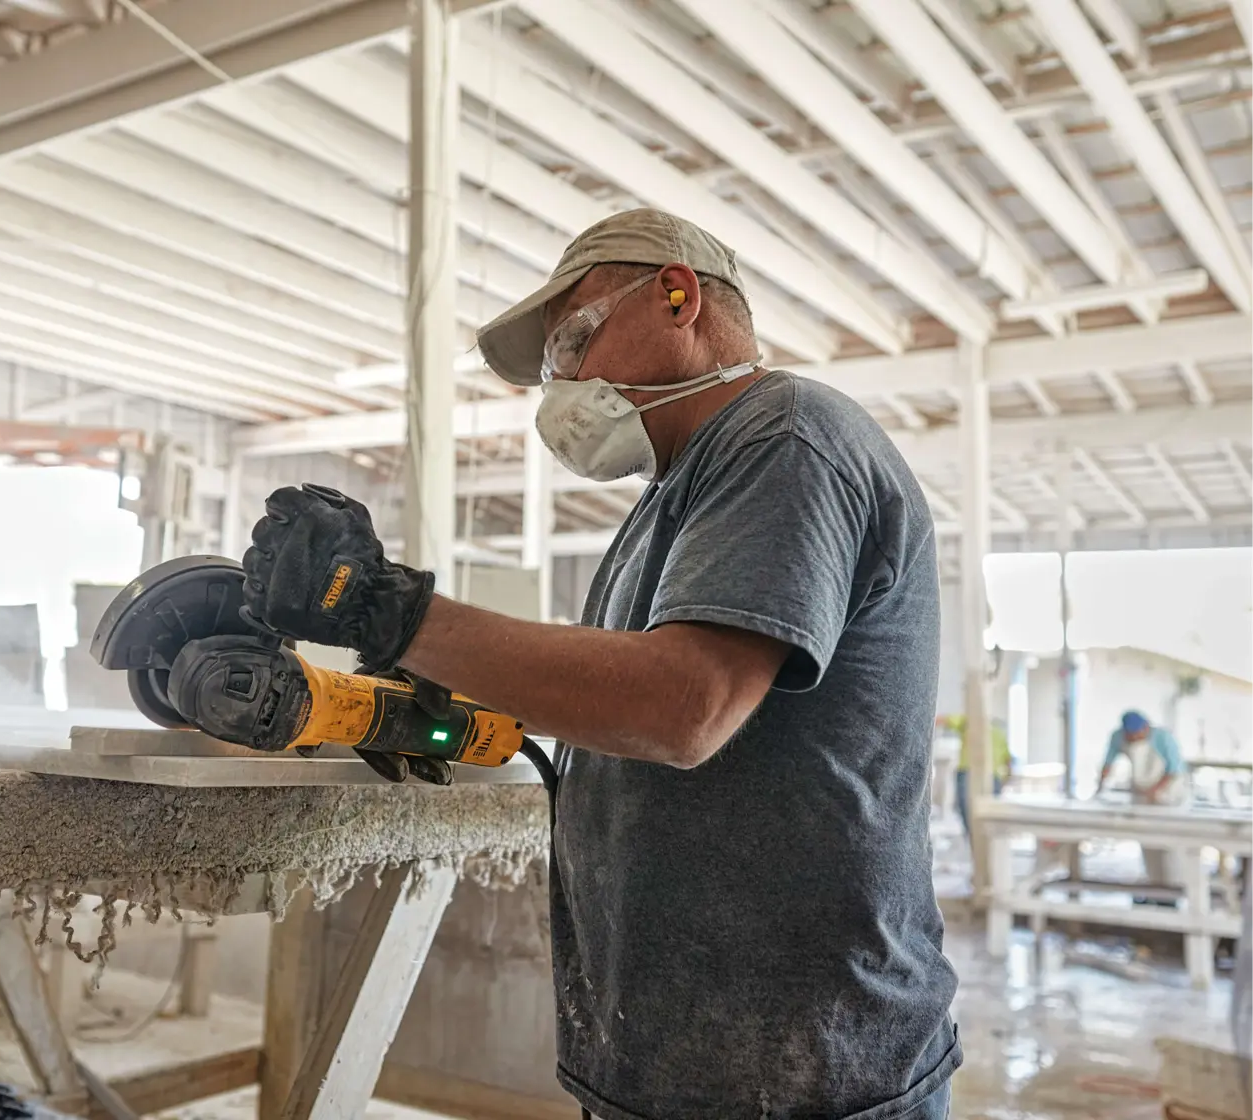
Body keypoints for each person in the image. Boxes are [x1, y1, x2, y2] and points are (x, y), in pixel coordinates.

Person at [238, 209, 960, 1120]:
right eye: (553, 372)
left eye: (575, 342)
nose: (567, 384)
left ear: (676, 295)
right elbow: (614, 689)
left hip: (804, 1068)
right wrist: (432, 678)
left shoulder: (787, 439)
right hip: (685, 1058)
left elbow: (680, 710)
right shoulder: (674, 494)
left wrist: (389, 609)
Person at [1097, 710, 1189, 889]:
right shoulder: (1118, 738)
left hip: (1170, 795)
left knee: (1170, 846)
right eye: (1130, 735)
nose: (1134, 737)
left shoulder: (1164, 738)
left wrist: (1155, 791)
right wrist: (1100, 787)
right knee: (1148, 842)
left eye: (1137, 733)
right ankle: (1155, 885)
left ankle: (1175, 888)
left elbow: (1174, 769)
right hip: (1142, 795)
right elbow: (1108, 763)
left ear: (1146, 727)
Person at [948, 714, 1012, 839]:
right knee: (974, 810)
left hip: (983, 774)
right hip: (974, 772)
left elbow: (1007, 759)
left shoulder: (969, 723)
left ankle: (979, 838)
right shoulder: (967, 722)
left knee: (979, 810)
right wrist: (1008, 776)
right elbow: (1008, 761)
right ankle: (977, 838)